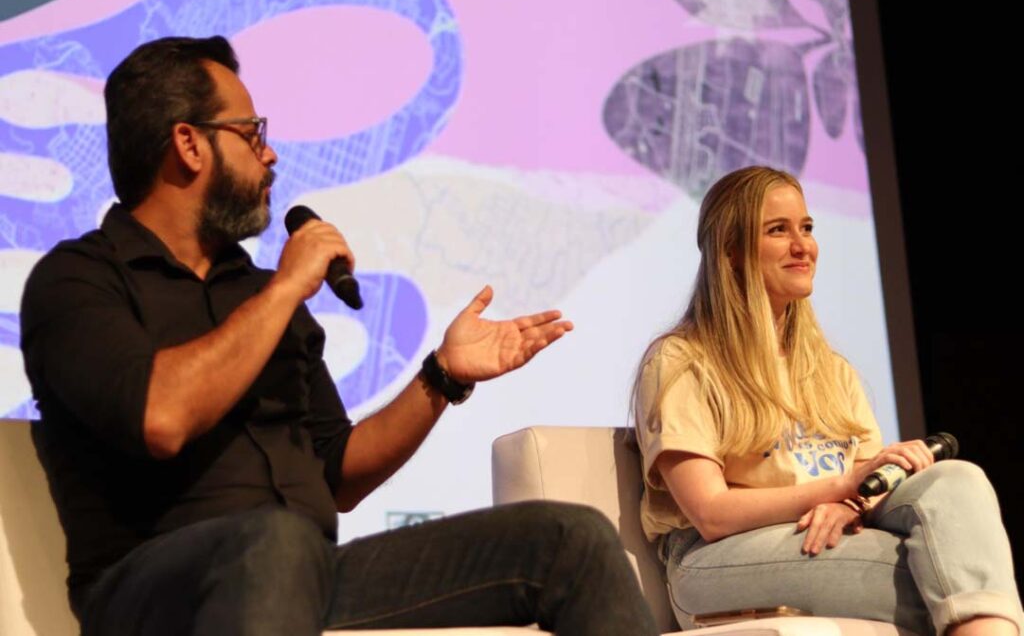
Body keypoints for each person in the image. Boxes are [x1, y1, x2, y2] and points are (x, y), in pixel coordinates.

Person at [19, 35, 658, 636]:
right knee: (276, 543)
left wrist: (442, 375)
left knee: (569, 540)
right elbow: (159, 416)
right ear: (189, 144)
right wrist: (283, 291)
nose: (270, 154)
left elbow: (335, 476)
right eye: (250, 134)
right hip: (151, 595)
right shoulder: (78, 281)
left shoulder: (261, 295)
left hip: (305, 573)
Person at [632, 166, 1022, 635]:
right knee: (945, 572)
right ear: (730, 251)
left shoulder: (831, 369)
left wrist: (851, 503)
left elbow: (868, 482)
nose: (803, 246)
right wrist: (837, 489)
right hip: (712, 559)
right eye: (778, 230)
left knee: (958, 479)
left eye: (807, 228)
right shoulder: (681, 359)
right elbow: (711, 514)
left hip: (818, 534)